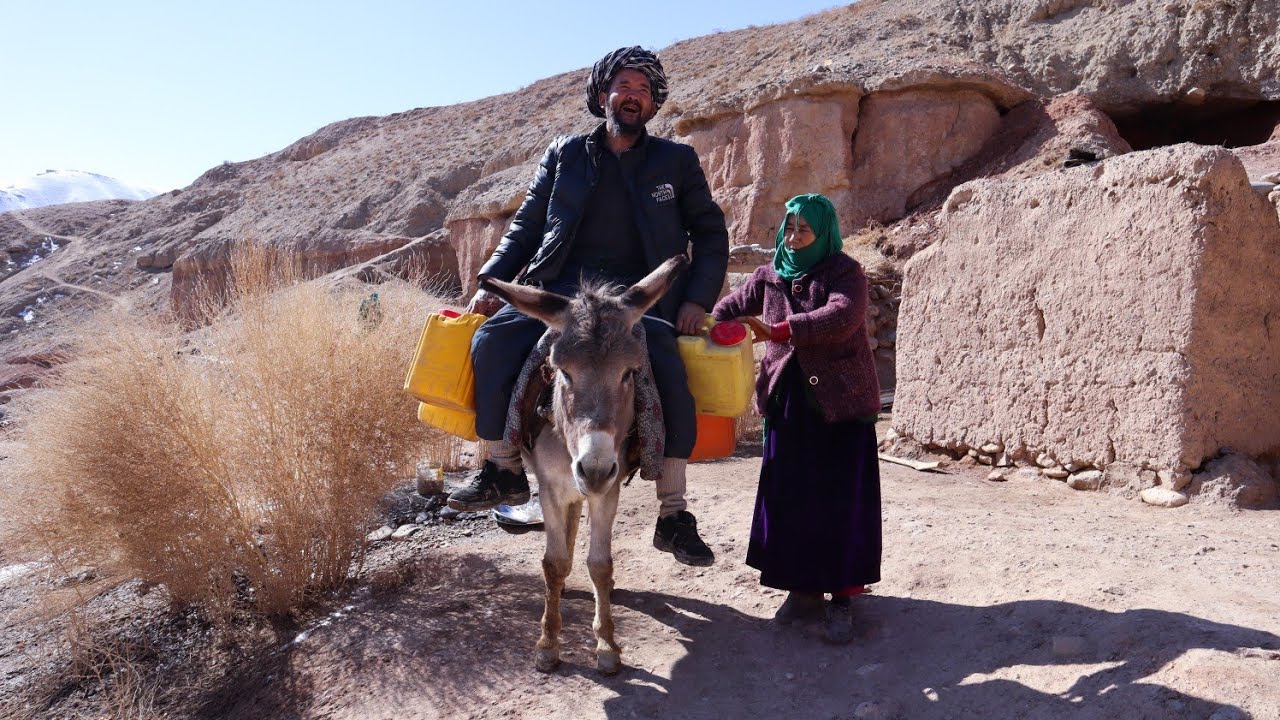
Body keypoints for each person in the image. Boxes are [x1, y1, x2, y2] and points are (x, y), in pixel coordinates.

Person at [447, 46, 729, 567]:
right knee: (490, 341)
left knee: (667, 368)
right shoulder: (565, 154)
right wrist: (493, 281)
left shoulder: (677, 161)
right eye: (623, 87)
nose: (633, 97)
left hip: (637, 298)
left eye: (643, 91)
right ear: (603, 96)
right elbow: (528, 226)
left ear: (653, 104)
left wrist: (695, 299)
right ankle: (502, 467)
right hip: (562, 290)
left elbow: (710, 234)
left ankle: (673, 515)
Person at [711, 193, 882, 643]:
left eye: (803, 229)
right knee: (790, 495)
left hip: (840, 404)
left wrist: (782, 331)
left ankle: (841, 596)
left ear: (823, 232)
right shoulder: (769, 276)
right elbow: (730, 309)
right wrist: (709, 327)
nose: (793, 236)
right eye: (789, 228)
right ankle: (802, 590)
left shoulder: (845, 271)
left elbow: (841, 316)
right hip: (787, 402)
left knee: (837, 499)